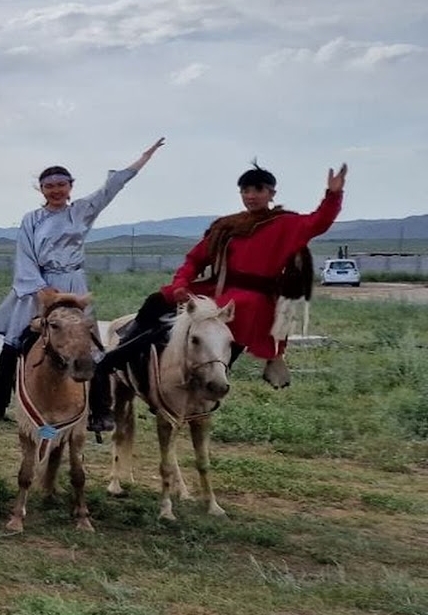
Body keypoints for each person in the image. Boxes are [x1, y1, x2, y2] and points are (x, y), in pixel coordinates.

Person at [88, 162, 346, 431]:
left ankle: (203, 383)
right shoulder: (227, 227)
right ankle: (119, 358)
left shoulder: (285, 224)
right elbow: (194, 259)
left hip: (256, 298)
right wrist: (181, 284)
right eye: (245, 190)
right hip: (218, 289)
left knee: (211, 319)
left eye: (258, 189)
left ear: (272, 193)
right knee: (158, 300)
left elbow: (319, 221)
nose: (251, 195)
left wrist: (333, 194)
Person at [0, 138, 164, 421]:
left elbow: (111, 188)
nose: (56, 191)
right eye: (49, 186)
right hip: (40, 287)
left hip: (74, 284)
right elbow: (24, 255)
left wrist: (143, 157)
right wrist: (39, 287)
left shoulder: (81, 210)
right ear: (42, 189)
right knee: (14, 341)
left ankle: (100, 411)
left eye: (61, 185)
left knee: (87, 344)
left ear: (70, 186)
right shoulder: (32, 220)